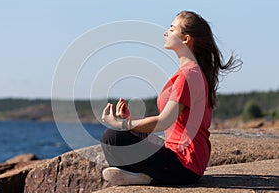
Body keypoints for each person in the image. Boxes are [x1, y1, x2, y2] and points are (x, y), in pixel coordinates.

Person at [100, 10, 241, 186]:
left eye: (172, 29)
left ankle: (143, 176)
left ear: (185, 39)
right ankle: (140, 176)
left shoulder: (189, 75)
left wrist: (120, 124)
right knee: (120, 135)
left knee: (113, 137)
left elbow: (163, 122)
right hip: (178, 158)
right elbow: (173, 123)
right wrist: (131, 121)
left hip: (184, 165)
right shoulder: (190, 73)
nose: (166, 32)